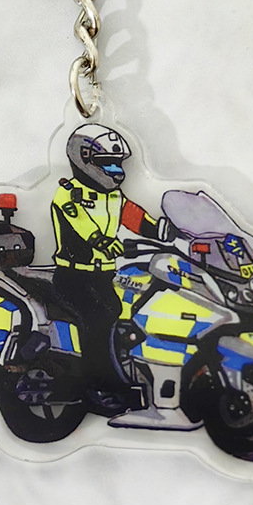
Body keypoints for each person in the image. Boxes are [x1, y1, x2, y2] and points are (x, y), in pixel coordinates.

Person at [51, 124, 172, 395]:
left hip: (104, 274)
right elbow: (79, 221)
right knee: (98, 319)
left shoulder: (114, 196)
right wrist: (100, 241)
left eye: (117, 163)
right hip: (73, 276)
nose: (115, 170)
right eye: (107, 163)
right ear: (83, 158)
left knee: (125, 312)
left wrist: (162, 231)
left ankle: (125, 369)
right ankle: (97, 385)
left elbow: (134, 217)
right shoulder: (68, 192)